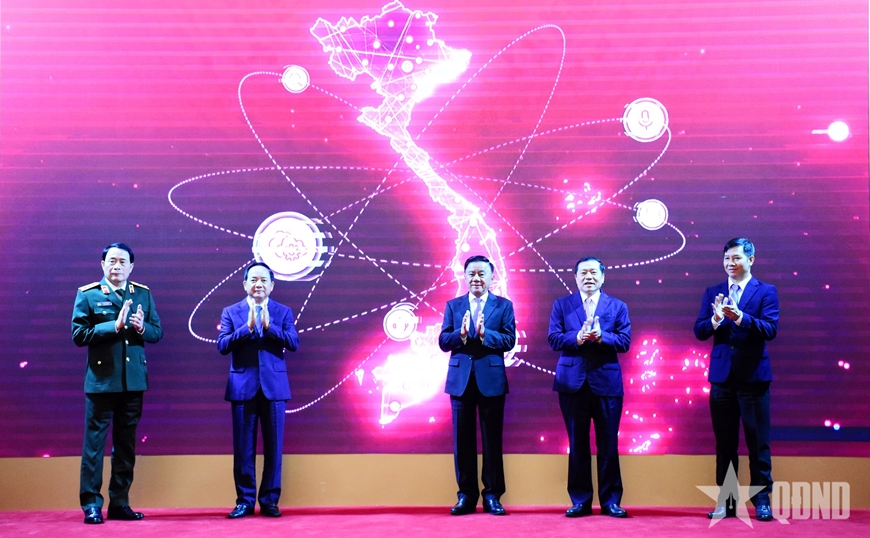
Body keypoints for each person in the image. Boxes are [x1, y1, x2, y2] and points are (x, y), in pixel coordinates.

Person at [72, 243, 163, 525]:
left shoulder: (142, 293)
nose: (117, 266)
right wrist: (114, 326)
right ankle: (91, 504)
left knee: (125, 446)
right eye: (112, 261)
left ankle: (120, 502)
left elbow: (157, 332)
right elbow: (79, 334)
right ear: (103, 264)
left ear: (131, 266)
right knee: (94, 447)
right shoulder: (88, 294)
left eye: (123, 262)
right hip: (101, 381)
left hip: (133, 382)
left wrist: (141, 327)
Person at [694, 237, 778, 522]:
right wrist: (716, 319)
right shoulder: (713, 292)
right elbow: (700, 331)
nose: (730, 263)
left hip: (754, 378)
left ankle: (762, 500)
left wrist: (741, 317)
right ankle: (727, 501)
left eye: (736, 258)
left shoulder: (766, 291)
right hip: (722, 380)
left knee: (758, 443)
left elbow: (770, 329)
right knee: (725, 444)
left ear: (751, 259)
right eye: (727, 258)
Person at [548, 256, 631, 518]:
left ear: (603, 277)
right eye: (583, 273)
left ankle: (611, 501)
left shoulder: (617, 306)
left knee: (608, 444)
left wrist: (601, 336)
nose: (588, 277)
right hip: (571, 383)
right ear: (575, 277)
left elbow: (625, 341)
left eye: (594, 273)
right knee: (577, 444)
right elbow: (553, 338)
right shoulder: (562, 304)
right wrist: (578, 337)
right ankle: (581, 500)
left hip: (607, 383)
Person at [218, 261, 299, 519]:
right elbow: (222, 345)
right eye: (253, 280)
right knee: (243, 449)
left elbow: (293, 342)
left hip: (275, 389)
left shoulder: (283, 311)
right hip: (242, 388)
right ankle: (244, 501)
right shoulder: (231, 312)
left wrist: (268, 327)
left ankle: (269, 501)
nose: (258, 284)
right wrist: (248, 327)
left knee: (274, 448)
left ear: (272, 285)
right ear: (245, 284)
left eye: (264, 280)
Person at [439, 255, 516, 516]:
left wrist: (485, 334)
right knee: (462, 441)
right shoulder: (454, 305)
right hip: (460, 381)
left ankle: (493, 496)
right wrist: (460, 335)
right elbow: (443, 341)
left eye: (482, 273)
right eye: (471, 273)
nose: (476, 278)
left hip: (491, 380)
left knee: (492, 441)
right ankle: (466, 496)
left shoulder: (503, 305)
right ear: (464, 276)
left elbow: (509, 340)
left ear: (492, 277)